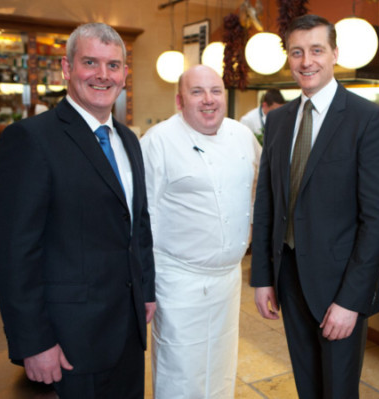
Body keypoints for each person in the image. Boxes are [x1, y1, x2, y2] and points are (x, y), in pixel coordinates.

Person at [0, 23, 155, 399]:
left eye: (113, 65)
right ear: (67, 68)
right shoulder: (31, 140)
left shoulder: (128, 139)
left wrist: (146, 290)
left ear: (125, 75)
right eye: (90, 62)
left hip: (127, 330)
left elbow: (138, 222)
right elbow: (13, 253)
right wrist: (33, 341)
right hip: (69, 340)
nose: (102, 75)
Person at [250, 14, 379, 399]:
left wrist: (351, 300)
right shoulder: (279, 120)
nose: (306, 61)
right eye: (296, 52)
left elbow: (378, 219)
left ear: (335, 54)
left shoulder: (368, 120)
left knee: (338, 390)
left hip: (339, 286)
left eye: (316, 50)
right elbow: (267, 202)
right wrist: (263, 276)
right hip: (289, 277)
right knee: (307, 386)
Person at [140, 65, 261, 399]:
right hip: (178, 282)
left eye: (216, 91)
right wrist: (144, 284)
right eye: (197, 92)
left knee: (221, 368)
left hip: (228, 279)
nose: (208, 100)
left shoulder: (242, 137)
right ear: (180, 101)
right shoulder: (157, 142)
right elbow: (141, 218)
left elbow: (257, 196)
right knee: (180, 371)